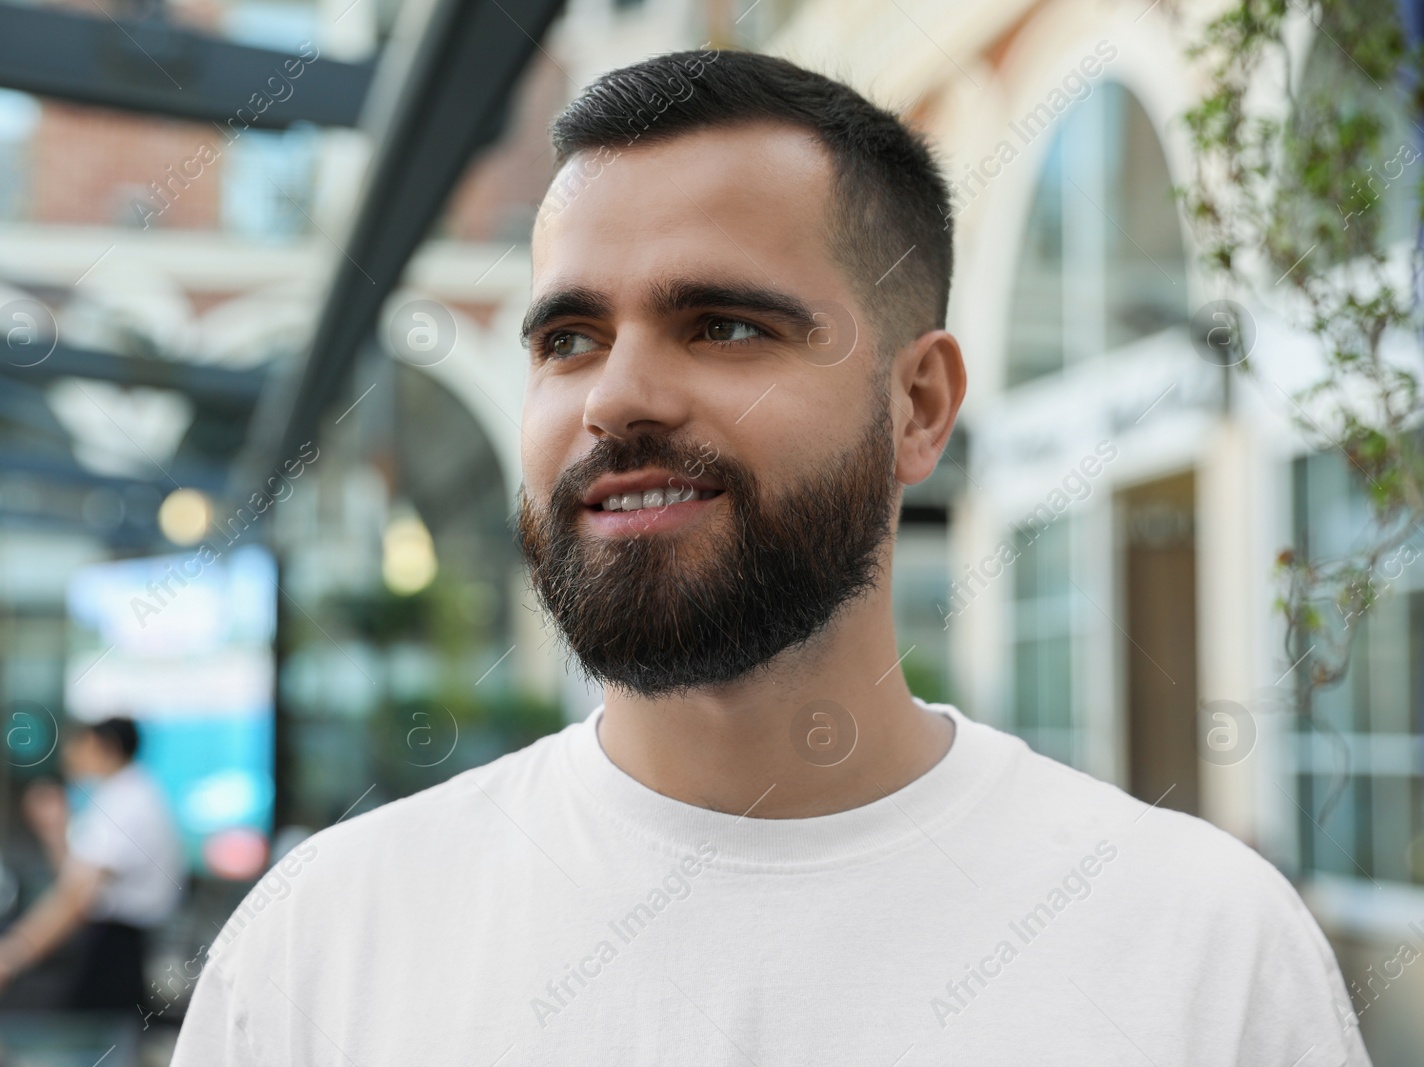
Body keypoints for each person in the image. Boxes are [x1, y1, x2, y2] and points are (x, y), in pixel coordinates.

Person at [172, 50, 1370, 1064]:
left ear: (918, 406)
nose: (618, 397)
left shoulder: (1203, 955)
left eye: (725, 325)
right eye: (570, 336)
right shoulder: (318, 952)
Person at [0, 716, 184, 1010]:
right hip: (112, 944)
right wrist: (55, 831)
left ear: (106, 747)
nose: (69, 752)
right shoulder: (123, 794)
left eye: (79, 743)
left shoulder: (126, 803)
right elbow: (73, 881)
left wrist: (10, 955)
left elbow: (77, 896)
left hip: (119, 949)